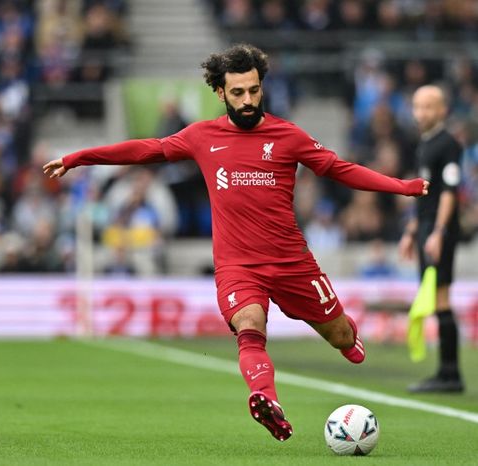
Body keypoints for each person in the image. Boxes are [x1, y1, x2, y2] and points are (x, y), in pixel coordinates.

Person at [43, 43, 428, 442]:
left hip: (292, 262)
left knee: (341, 337)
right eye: (239, 93)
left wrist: (402, 187)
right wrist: (79, 158)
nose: (248, 100)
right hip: (238, 265)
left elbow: (339, 169)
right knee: (249, 326)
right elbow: (148, 149)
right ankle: (266, 399)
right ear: (220, 93)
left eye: (254, 90)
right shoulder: (202, 137)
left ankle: (346, 333)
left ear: (262, 88)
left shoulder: (288, 135)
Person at [398, 85, 464, 393]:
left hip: (441, 231)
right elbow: (423, 195)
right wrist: (412, 231)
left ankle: (450, 374)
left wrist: (438, 232)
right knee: (434, 298)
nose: (421, 112)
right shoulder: (423, 144)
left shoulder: (448, 144)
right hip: (425, 228)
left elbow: (450, 192)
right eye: (417, 106)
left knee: (441, 298)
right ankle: (446, 373)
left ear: (442, 110)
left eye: (428, 106)